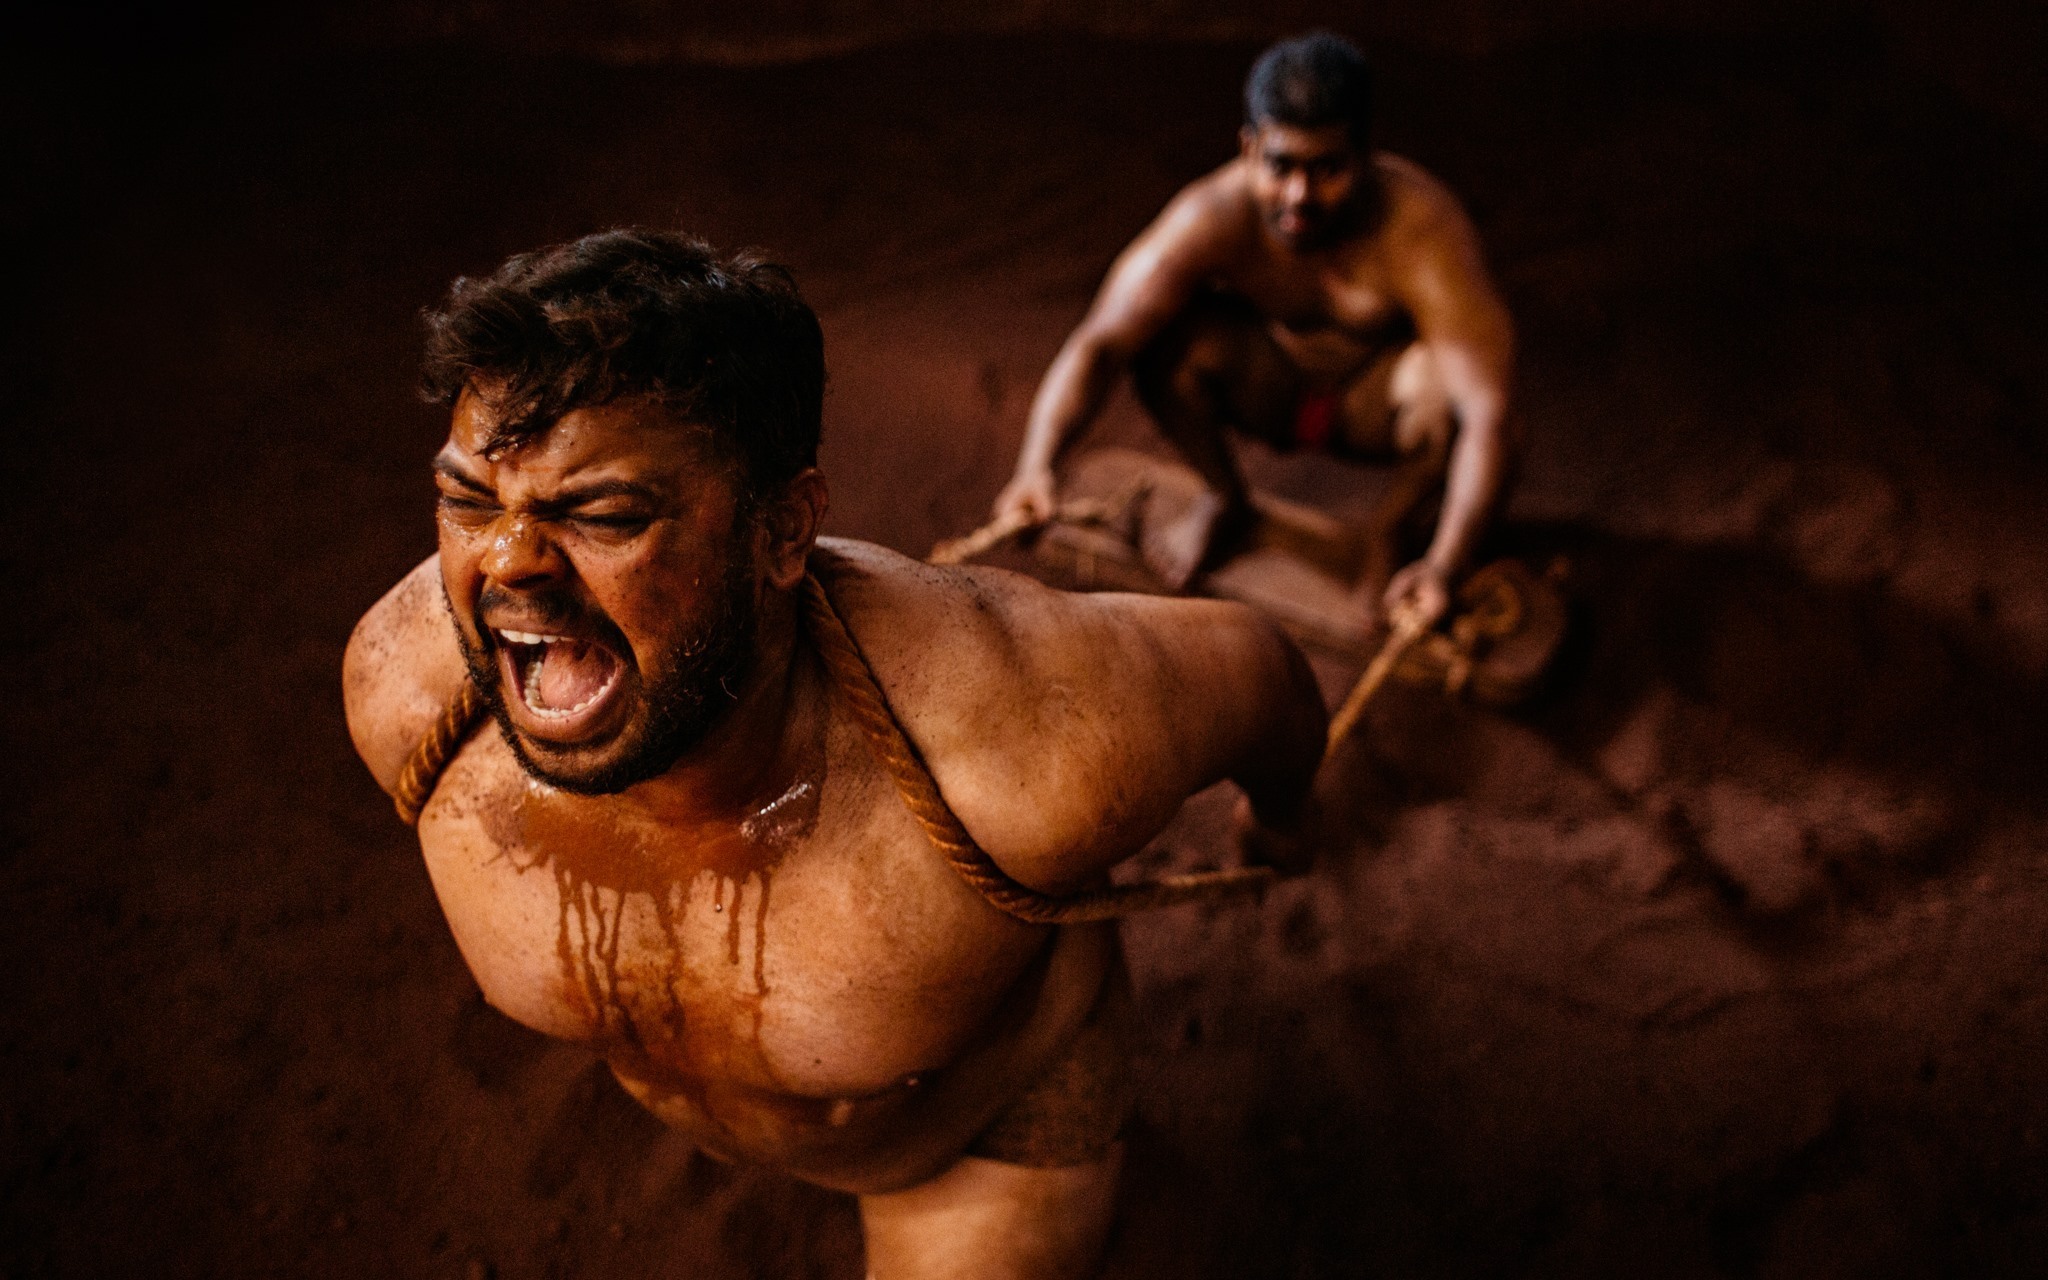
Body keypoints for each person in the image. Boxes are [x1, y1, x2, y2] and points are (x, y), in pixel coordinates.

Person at [342, 229, 1327, 1279]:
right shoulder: (409, 693)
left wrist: (1282, 816)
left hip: (976, 1132)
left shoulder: (1022, 738)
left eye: (604, 513)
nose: (508, 565)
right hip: (756, 1098)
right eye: (467, 499)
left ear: (781, 530)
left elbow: (1259, 668)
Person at [993, 31, 1517, 630]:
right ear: (1249, 150)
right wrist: (1035, 466)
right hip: (1270, 388)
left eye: (1328, 169)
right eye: (1281, 166)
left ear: (1365, 156)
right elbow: (1100, 344)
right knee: (1165, 345)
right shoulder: (1212, 215)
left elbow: (1490, 416)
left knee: (1448, 392)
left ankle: (1392, 534)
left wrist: (1445, 566)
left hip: (1377, 405)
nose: (1300, 195)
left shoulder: (1423, 231)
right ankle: (1223, 496)